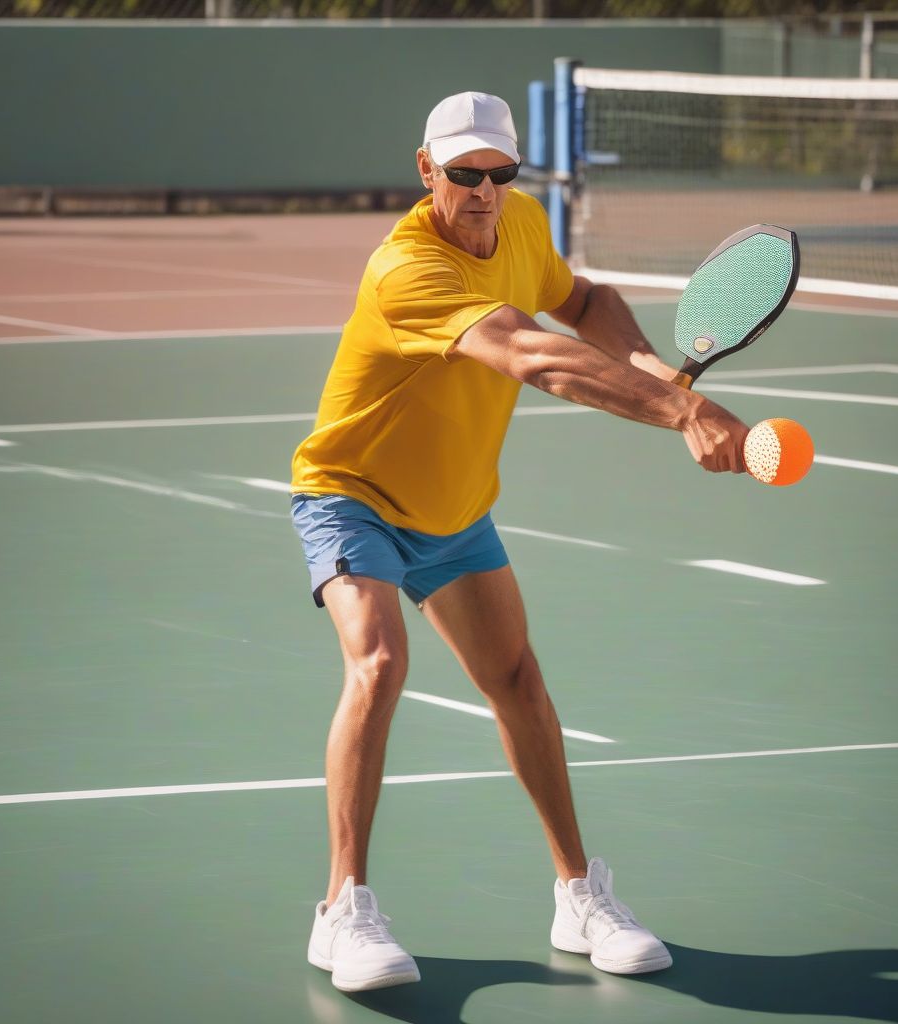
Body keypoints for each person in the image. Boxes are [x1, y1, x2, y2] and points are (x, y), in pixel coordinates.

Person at [291, 91, 748, 993]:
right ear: (427, 172)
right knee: (379, 661)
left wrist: (654, 364)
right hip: (352, 496)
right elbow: (533, 355)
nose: (486, 191)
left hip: (455, 508)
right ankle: (342, 911)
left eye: (501, 173)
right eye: (465, 174)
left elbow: (585, 299)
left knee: (516, 681)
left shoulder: (523, 224)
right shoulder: (405, 271)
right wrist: (683, 408)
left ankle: (579, 895)